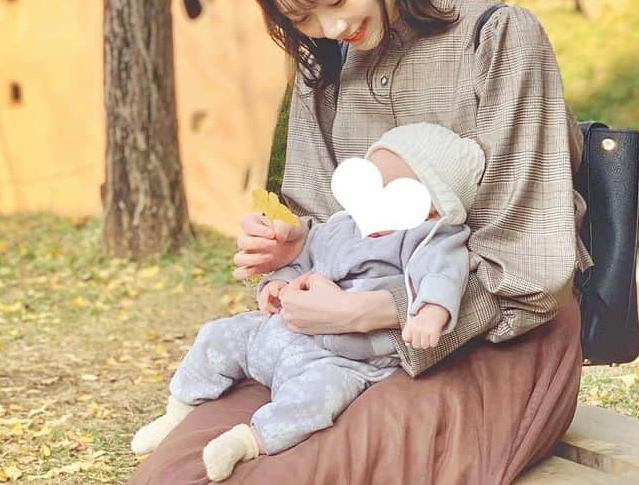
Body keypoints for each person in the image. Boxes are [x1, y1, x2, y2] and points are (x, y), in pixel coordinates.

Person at [127, 0, 590, 485]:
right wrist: (292, 253)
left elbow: (533, 270)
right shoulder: (325, 73)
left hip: (495, 341)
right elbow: (319, 223)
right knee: (184, 468)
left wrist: (380, 309)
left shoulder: (499, 41)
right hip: (333, 352)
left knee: (287, 475)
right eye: (304, 19)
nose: (332, 28)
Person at [131, 124, 484, 481]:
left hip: (343, 357)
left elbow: (443, 276)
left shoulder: (431, 239)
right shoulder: (343, 226)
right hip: (283, 332)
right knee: (219, 335)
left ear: (434, 208)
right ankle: (179, 410)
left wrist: (430, 314)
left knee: (317, 398)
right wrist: (278, 284)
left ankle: (250, 439)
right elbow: (305, 258)